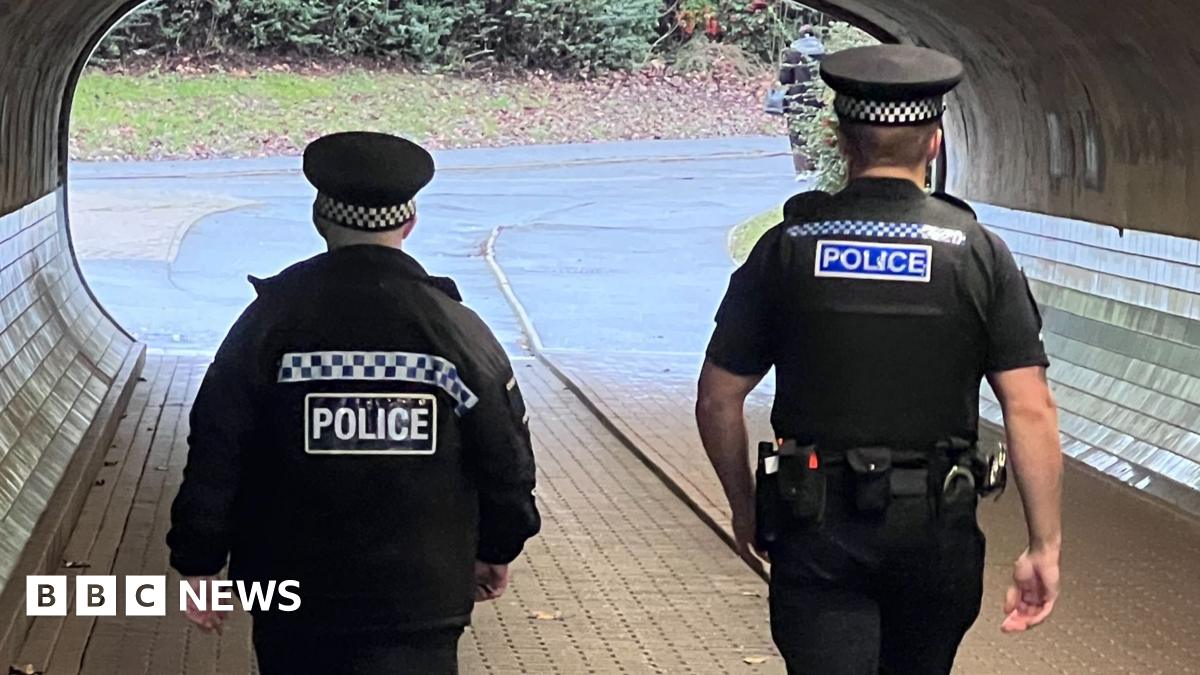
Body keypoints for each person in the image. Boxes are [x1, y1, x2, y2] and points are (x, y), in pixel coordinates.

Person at [696, 45, 1063, 674]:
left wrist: (744, 505)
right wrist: (1043, 545)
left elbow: (718, 398)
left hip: (814, 528)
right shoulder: (979, 253)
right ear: (935, 143)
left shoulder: (785, 250)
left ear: (839, 140)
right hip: (936, 530)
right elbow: (1030, 408)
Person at [166, 131, 541, 674]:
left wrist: (198, 562)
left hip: (294, 602)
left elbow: (216, 450)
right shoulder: (457, 332)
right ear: (409, 223)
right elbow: (506, 457)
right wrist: (497, 546)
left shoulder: (268, 326)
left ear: (320, 219)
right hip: (421, 599)